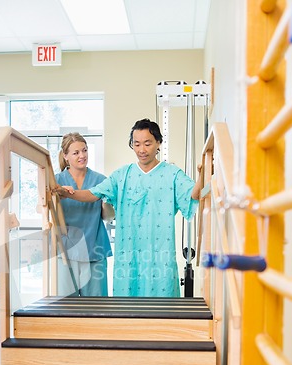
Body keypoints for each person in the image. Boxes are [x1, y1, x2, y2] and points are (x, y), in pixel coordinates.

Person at [54, 118, 202, 297]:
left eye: (147, 143)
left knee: (162, 302)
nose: (142, 149)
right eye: (137, 144)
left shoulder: (173, 174)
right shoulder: (121, 175)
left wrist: (202, 176)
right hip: (128, 255)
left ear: (158, 143)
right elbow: (92, 194)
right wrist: (67, 193)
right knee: (126, 304)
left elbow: (192, 194)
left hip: (159, 253)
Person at [55, 132, 113, 296]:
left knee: (96, 309)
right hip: (66, 251)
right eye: (76, 153)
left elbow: (108, 217)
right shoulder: (56, 181)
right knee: (66, 308)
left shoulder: (101, 180)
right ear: (66, 156)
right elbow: (42, 208)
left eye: (85, 150)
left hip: (94, 249)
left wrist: (106, 202)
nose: (82, 155)